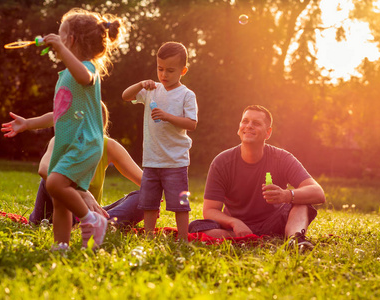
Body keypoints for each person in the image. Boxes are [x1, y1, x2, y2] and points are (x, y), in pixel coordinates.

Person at [3, 8, 125, 250]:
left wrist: (60, 48)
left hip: (84, 143)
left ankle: (93, 220)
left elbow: (84, 77)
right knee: (59, 200)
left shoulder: (88, 69)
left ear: (71, 40)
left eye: (61, 35)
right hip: (68, 145)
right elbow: (57, 114)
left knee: (55, 184)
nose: (56, 41)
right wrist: (28, 123)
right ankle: (62, 246)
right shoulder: (67, 74)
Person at [188, 105, 326, 250]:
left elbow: (318, 193)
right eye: (245, 121)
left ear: (268, 133)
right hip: (237, 226)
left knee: (301, 202)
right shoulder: (222, 162)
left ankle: (295, 240)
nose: (249, 126)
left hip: (275, 222)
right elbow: (210, 210)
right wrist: (235, 223)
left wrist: (286, 195)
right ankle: (254, 237)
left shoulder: (282, 158)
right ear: (239, 128)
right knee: (198, 226)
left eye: (256, 123)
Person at [2, 103, 145, 228]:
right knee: (51, 179)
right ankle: (93, 224)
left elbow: (145, 182)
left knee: (143, 196)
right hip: (52, 215)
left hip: (88, 216)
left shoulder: (108, 146)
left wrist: (153, 193)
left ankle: (101, 224)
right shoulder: (60, 140)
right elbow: (43, 169)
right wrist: (82, 192)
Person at [122, 41, 198, 241]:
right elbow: (125, 96)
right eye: (160, 69)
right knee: (149, 203)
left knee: (180, 204)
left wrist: (167, 116)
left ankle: (183, 238)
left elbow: (191, 124)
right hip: (151, 160)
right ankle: (149, 237)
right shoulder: (151, 90)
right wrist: (140, 84)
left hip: (176, 161)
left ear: (183, 70)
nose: (164, 75)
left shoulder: (187, 95)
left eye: (170, 70)